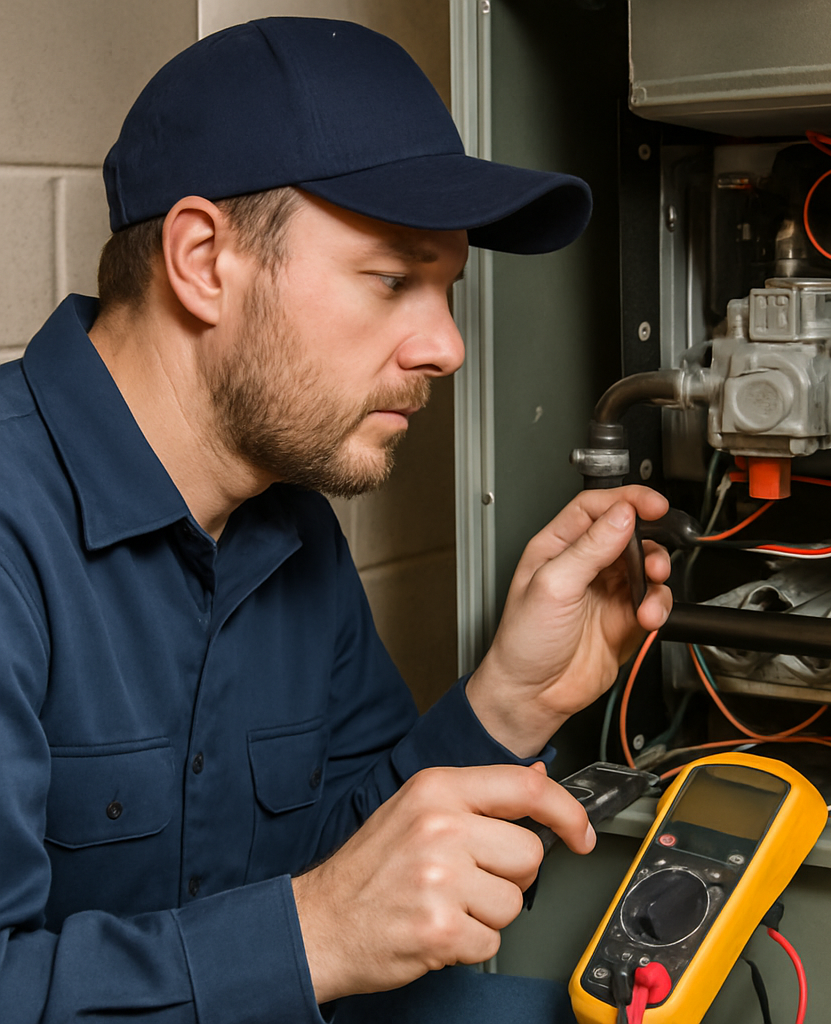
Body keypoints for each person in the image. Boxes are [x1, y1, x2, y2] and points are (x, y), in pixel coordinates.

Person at [0, 17, 671, 1023]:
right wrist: (314, 934)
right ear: (200, 260)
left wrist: (508, 705)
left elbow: (358, 867)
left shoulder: (289, 527)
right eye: (394, 279)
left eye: (447, 290)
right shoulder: (15, 527)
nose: (445, 346)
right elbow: (328, 920)